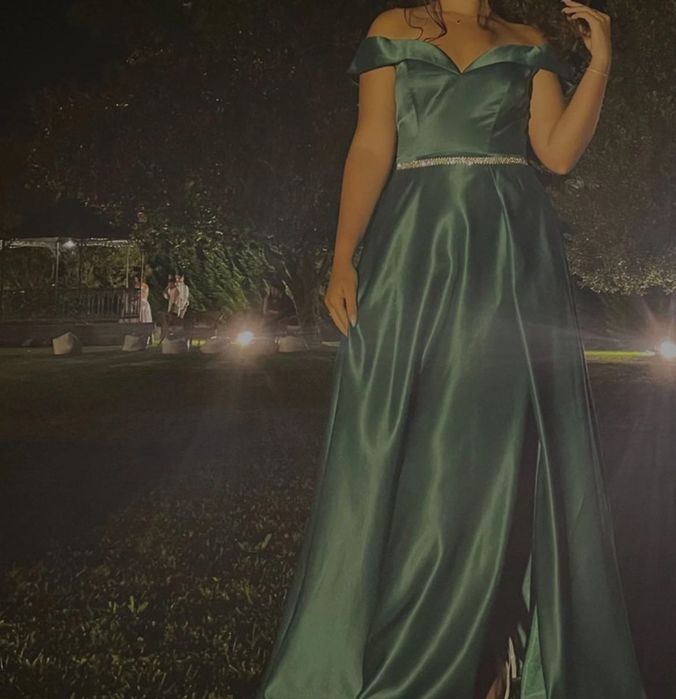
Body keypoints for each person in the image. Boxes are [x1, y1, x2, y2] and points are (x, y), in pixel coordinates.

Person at [257, 3, 646, 699]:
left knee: (498, 442)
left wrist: (602, 65)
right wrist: (344, 255)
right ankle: (399, 633)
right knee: (403, 438)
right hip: (417, 244)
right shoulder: (393, 28)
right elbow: (372, 144)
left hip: (511, 252)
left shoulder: (526, 41)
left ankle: (492, 653)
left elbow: (557, 153)